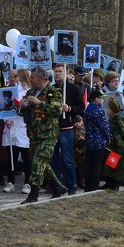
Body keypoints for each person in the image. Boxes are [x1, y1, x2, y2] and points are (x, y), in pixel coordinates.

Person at [19, 67, 67, 204]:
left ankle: (34, 194)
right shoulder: (31, 92)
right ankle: (58, 187)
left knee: (38, 163)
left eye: (33, 77)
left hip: (48, 134)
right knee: (42, 164)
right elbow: (21, 112)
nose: (31, 80)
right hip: (33, 135)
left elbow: (57, 110)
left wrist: (39, 103)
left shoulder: (54, 92)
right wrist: (22, 106)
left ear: (43, 78)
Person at [52, 63, 85, 194]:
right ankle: (57, 187)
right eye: (55, 71)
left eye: (60, 71)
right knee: (54, 160)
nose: (57, 73)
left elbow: (81, 109)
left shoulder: (74, 89)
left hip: (67, 128)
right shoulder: (52, 89)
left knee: (67, 159)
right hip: (53, 128)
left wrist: (70, 109)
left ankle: (71, 186)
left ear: (66, 72)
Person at [82, 89, 110, 192]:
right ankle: (94, 185)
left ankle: (87, 185)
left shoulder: (87, 110)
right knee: (97, 165)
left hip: (89, 141)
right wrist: (109, 137)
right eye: (102, 98)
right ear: (97, 99)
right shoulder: (99, 111)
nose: (103, 101)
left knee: (89, 164)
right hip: (99, 141)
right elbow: (104, 126)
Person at [101, 97, 124, 190]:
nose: (107, 110)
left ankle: (114, 184)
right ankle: (109, 183)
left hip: (117, 147)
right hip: (112, 147)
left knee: (115, 166)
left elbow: (123, 135)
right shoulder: (112, 119)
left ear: (112, 110)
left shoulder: (117, 120)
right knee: (110, 166)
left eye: (108, 108)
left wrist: (123, 147)